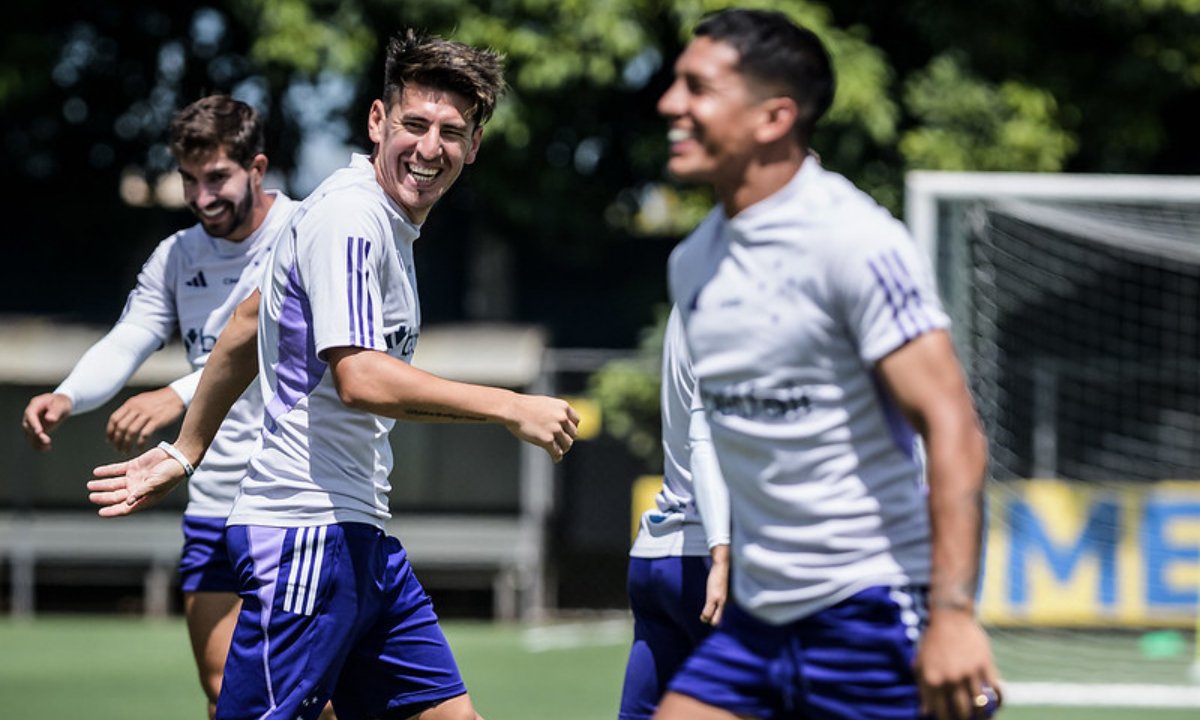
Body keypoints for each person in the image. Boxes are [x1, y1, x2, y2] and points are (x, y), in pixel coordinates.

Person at [87, 29, 579, 720]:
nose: (430, 147)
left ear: (474, 146)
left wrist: (183, 449)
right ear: (378, 122)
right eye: (414, 124)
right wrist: (509, 406)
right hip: (305, 537)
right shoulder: (351, 218)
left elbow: (243, 327)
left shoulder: (375, 220)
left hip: (360, 538)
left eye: (451, 131)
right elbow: (361, 378)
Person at [655, 9, 1001, 720]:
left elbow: (953, 427)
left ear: (773, 116)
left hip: (869, 610)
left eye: (697, 87)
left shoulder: (856, 242)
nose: (670, 104)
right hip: (758, 621)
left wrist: (955, 613)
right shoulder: (691, 263)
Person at [20, 94, 301, 719]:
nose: (202, 197)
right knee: (223, 689)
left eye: (218, 178)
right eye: (190, 180)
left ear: (256, 169)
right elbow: (130, 336)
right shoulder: (178, 255)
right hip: (212, 504)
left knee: (306, 695)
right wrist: (69, 393)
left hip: (295, 504)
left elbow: (275, 343)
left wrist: (175, 393)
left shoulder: (305, 234)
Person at [620, 304, 731, 720]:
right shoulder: (730, 303)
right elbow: (706, 443)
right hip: (708, 560)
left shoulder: (692, 297)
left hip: (658, 554)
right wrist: (724, 552)